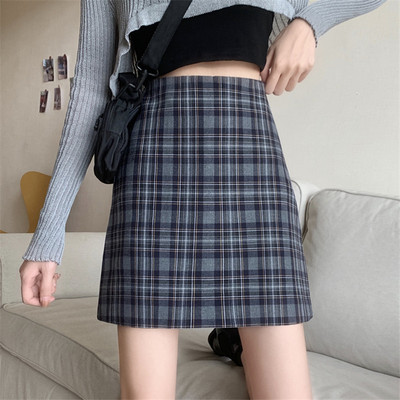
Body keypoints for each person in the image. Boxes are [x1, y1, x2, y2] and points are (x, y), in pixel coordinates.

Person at [19, 1, 386, 399]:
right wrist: (47, 236)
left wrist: (310, 24)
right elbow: (92, 91)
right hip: (154, 158)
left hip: (250, 153)